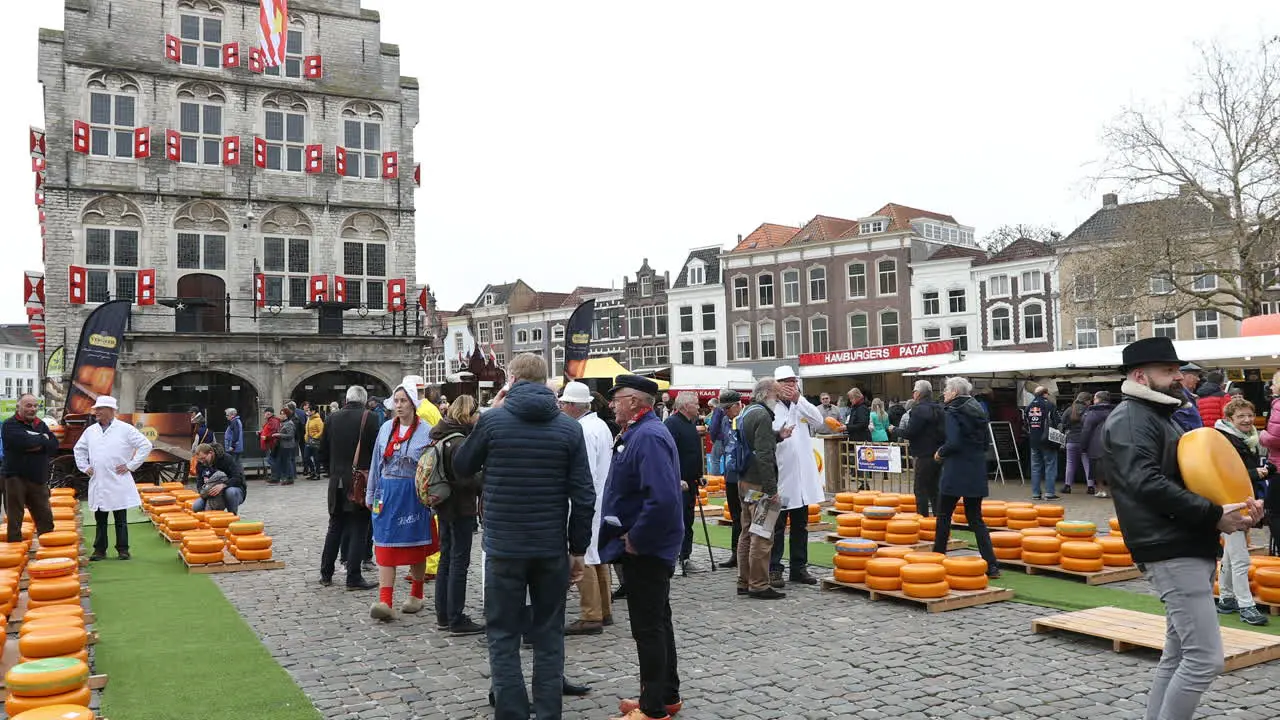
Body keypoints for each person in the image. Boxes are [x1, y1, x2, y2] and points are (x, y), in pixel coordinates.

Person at [1104, 337, 1264, 720]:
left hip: (1184, 543)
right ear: (1141, 376)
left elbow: (1192, 478)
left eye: (1178, 370)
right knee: (1204, 659)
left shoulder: (1158, 415)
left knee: (1178, 655)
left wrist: (1238, 501)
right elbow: (1145, 483)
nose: (1180, 377)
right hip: (1169, 547)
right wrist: (1212, 514)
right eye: (1169, 371)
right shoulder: (1131, 419)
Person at [452, 354, 595, 720]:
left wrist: (485, 416)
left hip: (504, 546)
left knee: (503, 634)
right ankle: (548, 713)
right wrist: (577, 549)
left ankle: (512, 712)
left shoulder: (493, 422)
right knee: (548, 635)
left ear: (510, 380)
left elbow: (462, 466)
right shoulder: (569, 428)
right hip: (549, 546)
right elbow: (583, 495)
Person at [598, 375, 684, 720]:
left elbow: (662, 499)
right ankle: (666, 694)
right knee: (659, 622)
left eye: (617, 398)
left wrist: (637, 538)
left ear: (634, 401)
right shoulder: (640, 431)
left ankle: (652, 709)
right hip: (648, 546)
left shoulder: (647, 435)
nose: (613, 404)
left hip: (647, 549)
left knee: (648, 628)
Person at [365, 383, 436, 620]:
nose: (399, 405)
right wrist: (370, 493)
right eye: (396, 401)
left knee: (416, 546)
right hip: (387, 492)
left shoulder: (426, 431)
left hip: (413, 494)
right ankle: (385, 601)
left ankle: (416, 595)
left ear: (413, 404)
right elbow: (376, 463)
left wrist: (431, 498)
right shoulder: (385, 429)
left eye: (403, 401)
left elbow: (431, 467)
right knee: (385, 545)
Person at [559, 382, 616, 635]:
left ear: (572, 406)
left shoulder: (581, 430)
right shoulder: (599, 425)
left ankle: (590, 614)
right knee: (597, 553)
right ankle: (604, 609)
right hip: (601, 496)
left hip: (586, 499)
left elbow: (586, 471)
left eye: (563, 403)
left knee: (584, 554)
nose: (560, 407)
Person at [931, 377, 1000, 577]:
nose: (944, 393)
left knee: (943, 515)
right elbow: (985, 441)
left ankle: (937, 558)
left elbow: (954, 442)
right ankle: (991, 564)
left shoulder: (953, 411)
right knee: (976, 519)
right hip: (976, 469)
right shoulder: (979, 410)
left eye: (945, 389)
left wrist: (940, 452)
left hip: (956, 470)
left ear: (954, 392)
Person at [1213, 397, 1274, 626]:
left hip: (1242, 499)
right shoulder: (1224, 440)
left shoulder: (1246, 438)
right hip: (1230, 502)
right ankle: (1246, 606)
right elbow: (1225, 472)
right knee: (1240, 557)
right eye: (1241, 416)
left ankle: (1227, 598)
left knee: (1231, 552)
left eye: (1250, 415)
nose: (1247, 420)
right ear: (1230, 419)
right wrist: (1254, 473)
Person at [430, 394, 486, 636]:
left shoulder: (441, 433)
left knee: (446, 558)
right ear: (467, 414)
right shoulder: (460, 441)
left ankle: (443, 614)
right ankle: (456, 617)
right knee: (459, 562)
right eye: (475, 413)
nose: (477, 418)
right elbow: (465, 479)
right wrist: (484, 476)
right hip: (459, 506)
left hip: (443, 505)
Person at [72, 396, 152, 561]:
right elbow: (78, 449)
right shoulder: (91, 431)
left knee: (120, 517)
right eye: (96, 409)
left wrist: (131, 465)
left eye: (100, 409)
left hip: (118, 480)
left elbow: (146, 445)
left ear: (111, 410)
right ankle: (99, 550)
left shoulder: (125, 429)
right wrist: (85, 467)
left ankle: (123, 549)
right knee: (100, 518)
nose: (96, 412)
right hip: (99, 480)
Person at [317, 385, 378, 591]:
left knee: (335, 526)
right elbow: (375, 451)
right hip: (359, 481)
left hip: (337, 482)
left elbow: (322, 451)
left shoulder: (331, 418)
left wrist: (333, 471)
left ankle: (326, 573)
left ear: (347, 399)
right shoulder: (369, 418)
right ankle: (353, 576)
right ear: (364, 400)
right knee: (359, 528)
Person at [768, 367, 824, 587]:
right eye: (785, 382)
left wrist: (799, 398)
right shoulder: (771, 406)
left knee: (801, 525)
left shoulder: (801, 406)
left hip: (802, 478)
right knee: (777, 525)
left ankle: (799, 567)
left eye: (792, 382)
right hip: (781, 474)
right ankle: (774, 568)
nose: (789, 386)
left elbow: (818, 420)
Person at [736, 378, 789, 600]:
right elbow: (765, 456)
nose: (778, 398)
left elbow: (753, 443)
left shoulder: (747, 412)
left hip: (745, 481)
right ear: (767, 393)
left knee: (747, 531)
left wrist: (777, 436)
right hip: (759, 482)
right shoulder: (763, 416)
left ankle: (744, 580)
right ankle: (758, 584)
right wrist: (772, 489)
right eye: (777, 394)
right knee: (762, 534)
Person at [2, 393, 58, 543]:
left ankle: (49, 549)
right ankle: (14, 550)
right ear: (18, 407)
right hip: (15, 476)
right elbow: (20, 442)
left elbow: (53, 446)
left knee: (45, 515)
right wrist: (41, 440)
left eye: (35, 406)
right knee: (15, 518)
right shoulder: (9, 425)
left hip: (38, 477)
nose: (32, 409)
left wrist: (34, 442)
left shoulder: (40, 424)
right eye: (28, 405)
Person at [664, 392, 705, 576]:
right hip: (678, 483)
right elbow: (667, 454)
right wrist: (675, 478)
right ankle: (671, 558)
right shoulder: (672, 424)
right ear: (685, 406)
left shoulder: (690, 423)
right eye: (695, 404)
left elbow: (693, 453)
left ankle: (685, 556)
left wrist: (699, 475)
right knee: (676, 522)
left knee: (687, 521)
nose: (698, 407)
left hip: (691, 482)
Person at [895, 380, 945, 517]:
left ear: (917, 393)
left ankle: (922, 518)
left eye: (914, 391)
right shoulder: (939, 408)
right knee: (934, 488)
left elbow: (911, 432)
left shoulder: (917, 410)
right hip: (938, 453)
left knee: (920, 489)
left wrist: (895, 430)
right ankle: (939, 518)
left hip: (923, 454)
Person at [714, 390, 744, 567]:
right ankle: (735, 553)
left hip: (746, 475)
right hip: (731, 475)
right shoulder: (725, 419)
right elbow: (714, 434)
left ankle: (747, 553)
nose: (725, 411)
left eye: (728, 408)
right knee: (735, 516)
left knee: (748, 516)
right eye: (723, 408)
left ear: (738, 405)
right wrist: (718, 411)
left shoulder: (746, 417)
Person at [1024, 386, 1060, 501]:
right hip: (1047, 440)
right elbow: (1057, 422)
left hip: (1033, 441)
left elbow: (1025, 425)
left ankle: (1036, 493)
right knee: (1050, 466)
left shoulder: (1028, 407)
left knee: (1035, 467)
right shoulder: (1049, 405)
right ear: (1045, 394)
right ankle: (1049, 493)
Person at [1078, 391, 1116, 498]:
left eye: (1094, 398)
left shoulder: (1092, 412)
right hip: (1113, 444)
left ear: (1098, 399)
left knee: (1097, 470)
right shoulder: (1115, 411)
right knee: (1112, 470)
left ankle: (1101, 490)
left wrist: (1083, 446)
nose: (1093, 400)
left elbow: (1086, 430)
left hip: (1096, 445)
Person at [192, 443, 246, 514]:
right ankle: (212, 516)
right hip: (211, 494)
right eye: (200, 460)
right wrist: (205, 492)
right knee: (196, 506)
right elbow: (199, 484)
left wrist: (223, 485)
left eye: (203, 458)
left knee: (230, 492)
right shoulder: (200, 464)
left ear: (211, 453)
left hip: (232, 490)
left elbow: (238, 478)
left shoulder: (226, 459)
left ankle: (232, 515)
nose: (202, 461)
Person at [1061, 391, 1093, 494]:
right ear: (1087, 401)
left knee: (1070, 463)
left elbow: (1062, 423)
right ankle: (1090, 487)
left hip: (1071, 440)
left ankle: (1067, 486)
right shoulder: (1089, 410)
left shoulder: (1070, 409)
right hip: (1085, 441)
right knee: (1087, 464)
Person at [1173, 363, 1205, 432]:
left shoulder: (1186, 395)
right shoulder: (1177, 397)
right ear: (1184, 375)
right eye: (1196, 375)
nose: (1198, 379)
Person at [275, 408, 299, 485]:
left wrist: (279, 435)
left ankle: (290, 478)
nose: (281, 415)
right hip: (283, 445)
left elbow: (290, 435)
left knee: (288, 462)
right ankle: (286, 477)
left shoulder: (289, 423)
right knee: (285, 462)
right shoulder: (283, 423)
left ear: (287, 415)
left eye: (283, 414)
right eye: (281, 413)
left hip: (288, 446)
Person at [302, 406, 324, 481]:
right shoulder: (309, 419)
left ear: (313, 411)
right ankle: (312, 472)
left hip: (315, 441)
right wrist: (306, 437)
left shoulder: (318, 420)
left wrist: (315, 437)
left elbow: (321, 431)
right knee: (306, 457)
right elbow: (307, 430)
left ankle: (317, 474)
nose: (308, 411)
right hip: (308, 441)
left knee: (316, 458)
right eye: (307, 410)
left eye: (309, 410)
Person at [260, 408, 282, 485]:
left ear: (269, 413)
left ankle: (275, 477)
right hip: (270, 444)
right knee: (272, 461)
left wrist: (266, 437)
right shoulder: (270, 421)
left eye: (265, 413)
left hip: (272, 444)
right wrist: (261, 433)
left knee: (272, 461)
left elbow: (274, 431)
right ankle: (274, 477)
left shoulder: (273, 421)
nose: (264, 415)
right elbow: (268, 430)